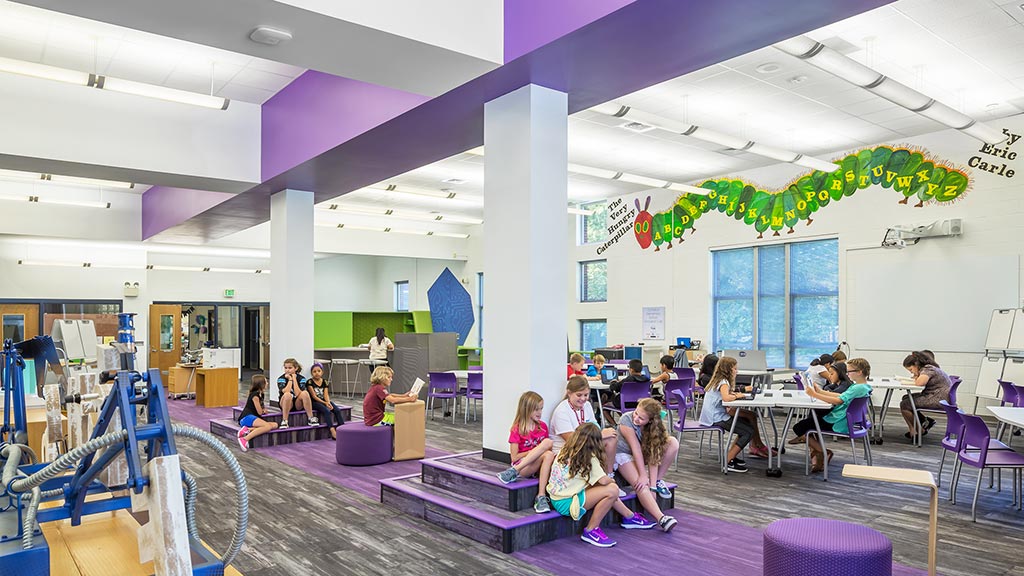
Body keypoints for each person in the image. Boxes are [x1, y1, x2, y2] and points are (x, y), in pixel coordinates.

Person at [546, 423, 657, 548]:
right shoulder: (588, 457)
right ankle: (591, 530)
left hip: (557, 497)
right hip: (568, 502)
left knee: (607, 490)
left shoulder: (564, 449)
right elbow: (604, 480)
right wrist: (612, 481)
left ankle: (629, 516)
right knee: (612, 490)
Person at [615, 398, 679, 532]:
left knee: (672, 442)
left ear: (650, 420)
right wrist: (643, 475)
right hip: (623, 454)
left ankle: (658, 481)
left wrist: (653, 486)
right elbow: (635, 449)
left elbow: (653, 455)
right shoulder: (626, 420)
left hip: (640, 454)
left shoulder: (654, 427)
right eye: (636, 413)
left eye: (641, 418)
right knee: (640, 483)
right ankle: (661, 518)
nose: (636, 418)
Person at [797, 361, 873, 473]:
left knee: (799, 427)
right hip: (844, 421)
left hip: (838, 423)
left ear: (859, 372)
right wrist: (820, 391)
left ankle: (822, 451)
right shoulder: (863, 387)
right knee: (810, 423)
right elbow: (841, 395)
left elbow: (838, 400)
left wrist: (815, 395)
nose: (847, 374)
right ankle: (820, 452)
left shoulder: (857, 388)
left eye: (849, 372)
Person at [496, 392, 557, 513]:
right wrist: (535, 451)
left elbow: (546, 454)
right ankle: (515, 472)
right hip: (523, 466)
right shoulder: (517, 429)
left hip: (538, 466)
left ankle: (541, 496)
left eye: (541, 409)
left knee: (549, 451)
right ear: (526, 410)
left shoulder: (543, 427)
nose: (540, 413)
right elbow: (514, 457)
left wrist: (539, 451)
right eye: (536, 410)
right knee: (547, 443)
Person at [699, 356, 755, 473]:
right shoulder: (724, 382)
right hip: (716, 418)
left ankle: (731, 456)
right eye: (735, 369)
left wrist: (734, 393)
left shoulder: (717, 379)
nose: (737, 371)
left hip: (711, 416)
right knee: (748, 431)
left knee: (745, 426)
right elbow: (726, 397)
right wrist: (737, 395)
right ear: (728, 370)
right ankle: (728, 461)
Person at [900, 351, 951, 440]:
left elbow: (920, 383)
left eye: (911, 370)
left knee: (905, 404)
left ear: (916, 364)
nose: (911, 373)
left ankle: (919, 430)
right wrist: (916, 375)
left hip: (938, 398)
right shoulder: (929, 368)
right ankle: (922, 423)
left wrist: (916, 376)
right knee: (906, 398)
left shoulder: (928, 369)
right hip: (936, 395)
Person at [236, 374, 278, 452]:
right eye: (266, 382)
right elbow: (259, 412)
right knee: (267, 427)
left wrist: (263, 410)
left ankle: (247, 429)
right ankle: (244, 439)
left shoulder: (261, 394)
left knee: (275, 425)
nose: (267, 383)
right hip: (247, 417)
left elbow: (262, 408)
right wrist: (263, 411)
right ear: (261, 384)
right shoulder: (255, 395)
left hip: (253, 418)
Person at [306, 362, 346, 439]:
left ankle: (342, 429)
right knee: (326, 411)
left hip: (324, 401)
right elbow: (314, 396)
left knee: (337, 410)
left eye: (318, 371)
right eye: (314, 372)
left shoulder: (325, 381)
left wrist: (328, 402)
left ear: (322, 372)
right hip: (315, 402)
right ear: (311, 373)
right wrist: (325, 403)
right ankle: (332, 431)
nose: (317, 373)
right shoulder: (310, 382)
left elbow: (326, 394)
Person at [277, 358, 317, 428]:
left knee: (305, 393)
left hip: (297, 404)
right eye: (285, 368)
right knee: (287, 395)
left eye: (290, 368)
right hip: (286, 403)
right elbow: (286, 391)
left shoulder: (302, 379)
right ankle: (284, 420)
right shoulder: (281, 378)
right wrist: (290, 379)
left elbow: (298, 393)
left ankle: (310, 418)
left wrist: (294, 379)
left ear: (296, 368)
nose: (287, 370)